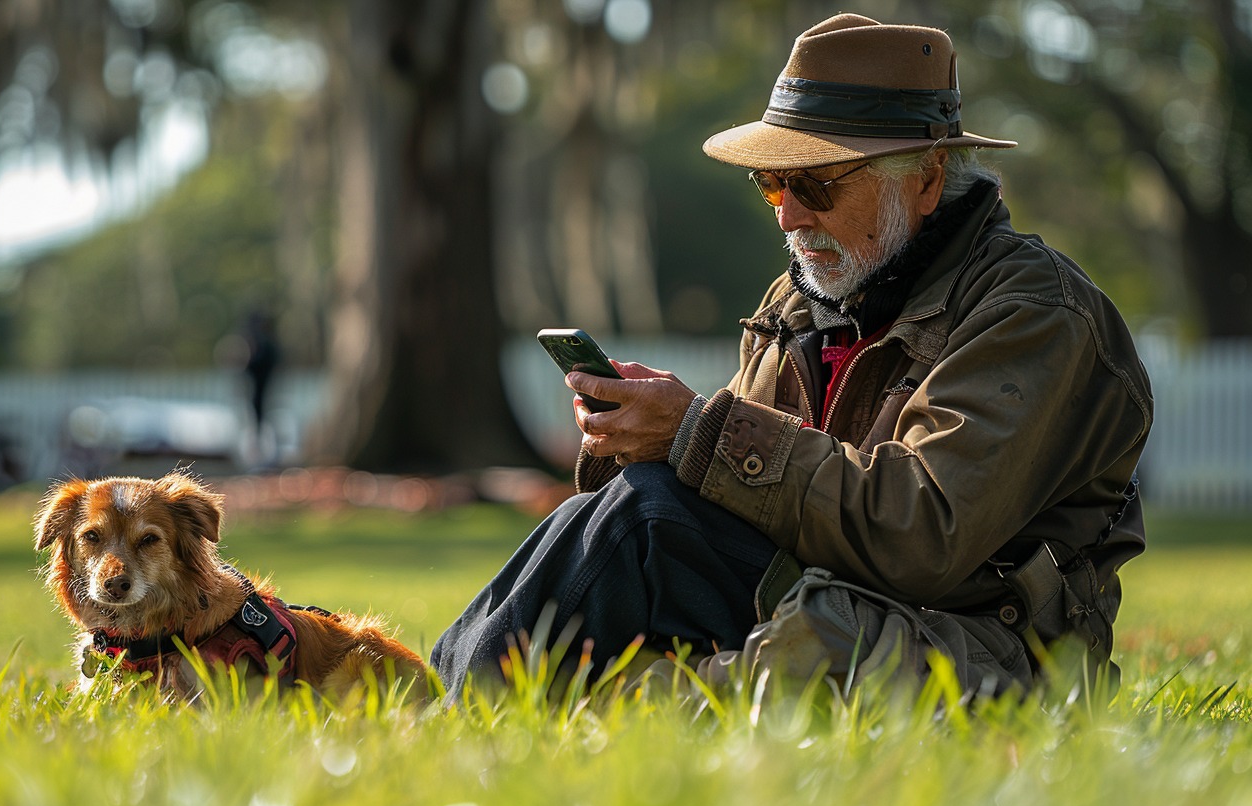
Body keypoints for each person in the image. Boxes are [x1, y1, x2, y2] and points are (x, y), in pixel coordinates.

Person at [430, 13, 1152, 700]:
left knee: (645, 521)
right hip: (834, 599)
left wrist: (693, 434)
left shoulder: (1033, 310)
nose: (787, 214)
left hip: (978, 650)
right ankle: (436, 683)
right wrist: (642, 438)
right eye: (772, 182)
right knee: (636, 505)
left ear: (929, 179)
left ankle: (446, 705)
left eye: (816, 184)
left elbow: (923, 533)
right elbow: (734, 500)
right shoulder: (810, 295)